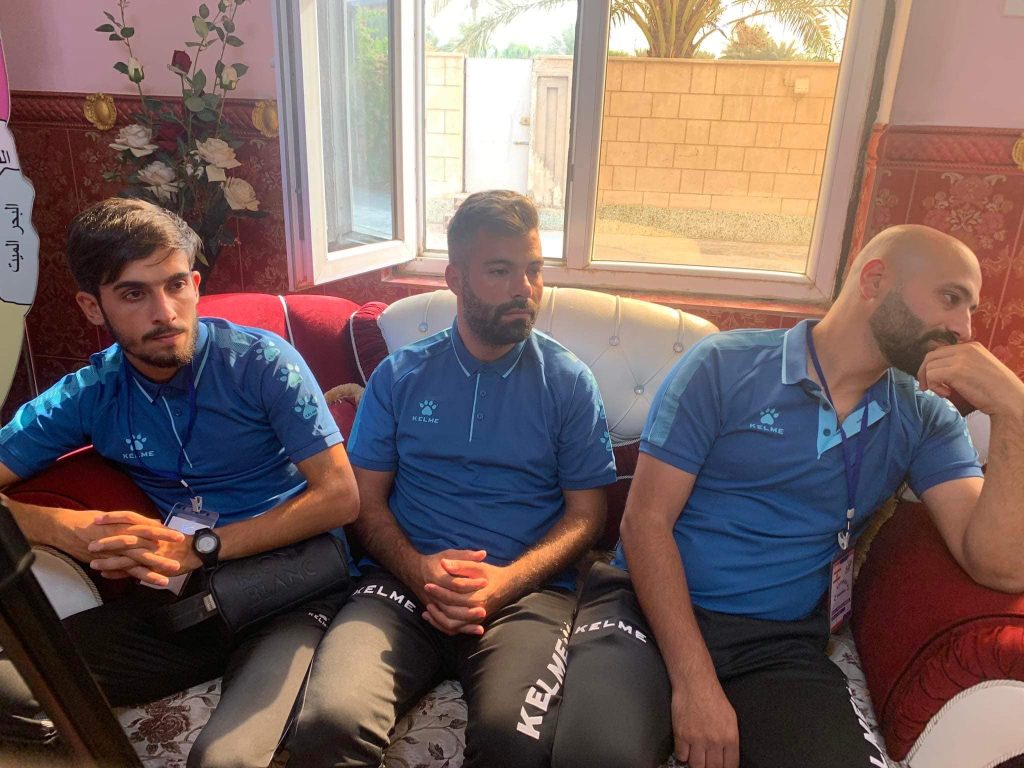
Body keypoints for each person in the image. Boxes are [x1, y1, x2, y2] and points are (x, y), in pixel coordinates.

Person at [550, 224, 1024, 768]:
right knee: (595, 756)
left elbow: (999, 567)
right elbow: (644, 523)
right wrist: (696, 684)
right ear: (874, 281)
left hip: (775, 643)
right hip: (643, 611)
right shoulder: (723, 366)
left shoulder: (923, 418)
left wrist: (1015, 412)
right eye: (950, 298)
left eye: (971, 309)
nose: (963, 329)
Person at [0, 198, 359, 768]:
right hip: (182, 592)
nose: (164, 313)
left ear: (194, 284)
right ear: (92, 307)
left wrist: (201, 547)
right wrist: (62, 527)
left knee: (224, 760)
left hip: (293, 579)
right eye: (133, 294)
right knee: (24, 684)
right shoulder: (93, 392)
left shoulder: (261, 363)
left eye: (174, 285)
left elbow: (340, 497)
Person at [285, 190, 617, 768]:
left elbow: (587, 516)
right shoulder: (401, 376)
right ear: (456, 279)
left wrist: (505, 582)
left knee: (515, 744)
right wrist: (418, 569)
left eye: (534, 269)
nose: (525, 288)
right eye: (501, 271)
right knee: (328, 723)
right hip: (400, 587)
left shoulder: (568, 382)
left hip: (524, 596)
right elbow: (365, 501)